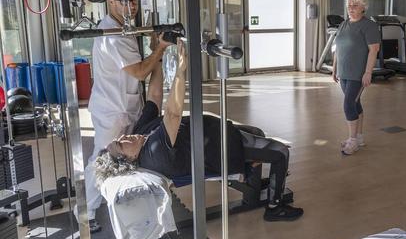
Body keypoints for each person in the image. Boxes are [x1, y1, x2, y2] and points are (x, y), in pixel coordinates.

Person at [95, 40, 303, 222]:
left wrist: (159, 54)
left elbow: (154, 96)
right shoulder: (154, 151)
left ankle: (253, 184)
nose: (123, 136)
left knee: (257, 131)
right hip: (220, 147)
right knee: (281, 152)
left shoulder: (140, 135)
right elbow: (173, 114)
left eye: (119, 138)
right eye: (121, 144)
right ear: (129, 158)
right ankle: (275, 208)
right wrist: (181, 71)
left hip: (215, 132)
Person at [84, 0, 172, 232]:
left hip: (125, 104)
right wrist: (159, 49)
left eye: (134, 1)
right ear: (110, 2)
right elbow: (141, 72)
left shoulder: (122, 28)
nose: (132, 7)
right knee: (102, 156)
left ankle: (126, 200)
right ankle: (88, 212)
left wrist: (156, 48)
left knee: (128, 157)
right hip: (112, 109)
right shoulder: (112, 33)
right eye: (125, 1)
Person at [332, 0, 380, 155]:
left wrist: (368, 73)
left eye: (355, 5)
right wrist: (334, 68)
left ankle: (352, 141)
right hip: (344, 72)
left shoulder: (369, 26)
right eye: (349, 5)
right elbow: (338, 48)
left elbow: (374, 50)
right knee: (355, 103)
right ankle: (358, 137)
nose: (351, 8)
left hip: (358, 73)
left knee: (348, 104)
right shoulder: (343, 24)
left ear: (363, 8)